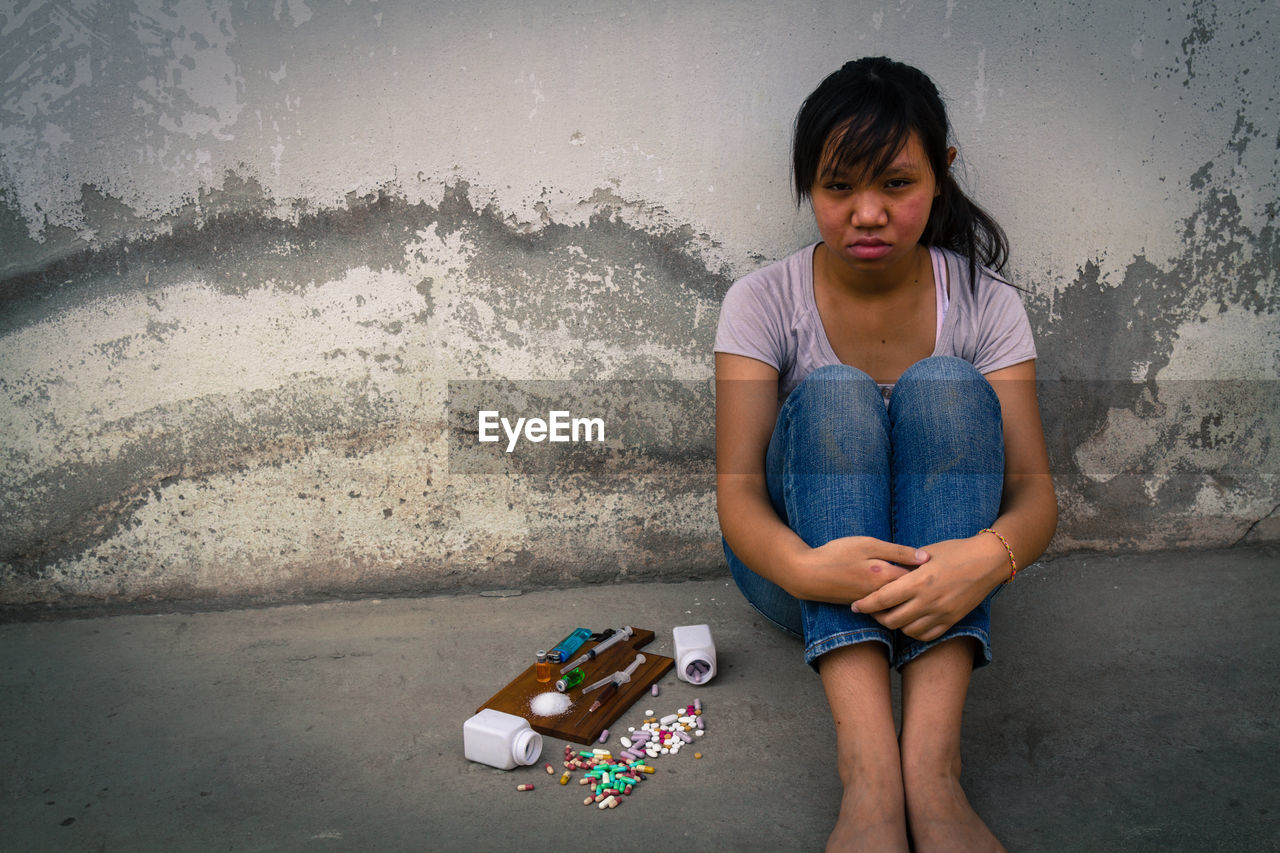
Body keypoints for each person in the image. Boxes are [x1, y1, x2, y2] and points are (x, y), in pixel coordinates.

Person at [714, 57, 1057, 852]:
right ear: (808, 185)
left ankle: (934, 775)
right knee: (835, 391)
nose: (866, 213)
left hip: (950, 572)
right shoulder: (762, 301)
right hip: (796, 572)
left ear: (941, 175)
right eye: (838, 188)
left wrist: (987, 557)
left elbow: (1037, 495)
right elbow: (736, 497)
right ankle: (869, 778)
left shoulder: (986, 304)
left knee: (945, 383)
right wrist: (804, 570)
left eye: (895, 185)